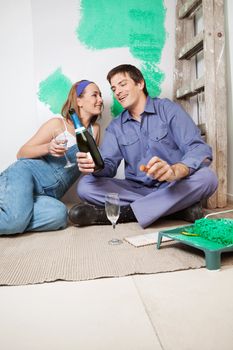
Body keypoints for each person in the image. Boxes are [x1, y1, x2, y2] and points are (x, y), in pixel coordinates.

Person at [69, 65, 218, 229]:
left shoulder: (168, 109)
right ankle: (175, 209)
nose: (117, 92)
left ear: (140, 83)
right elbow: (108, 166)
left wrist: (177, 170)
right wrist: (95, 166)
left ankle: (125, 214)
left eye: (122, 84)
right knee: (86, 186)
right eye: (113, 88)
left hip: (173, 186)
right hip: (136, 190)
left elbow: (198, 148)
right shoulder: (115, 127)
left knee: (207, 178)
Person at [0, 80, 103, 235]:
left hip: (50, 194)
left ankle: (12, 208)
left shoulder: (94, 130)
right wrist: (47, 148)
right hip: (25, 175)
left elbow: (91, 168)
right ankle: (13, 213)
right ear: (79, 100)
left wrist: (92, 167)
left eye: (100, 95)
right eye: (95, 95)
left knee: (59, 216)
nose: (100, 99)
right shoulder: (57, 124)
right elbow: (21, 153)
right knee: (15, 222)